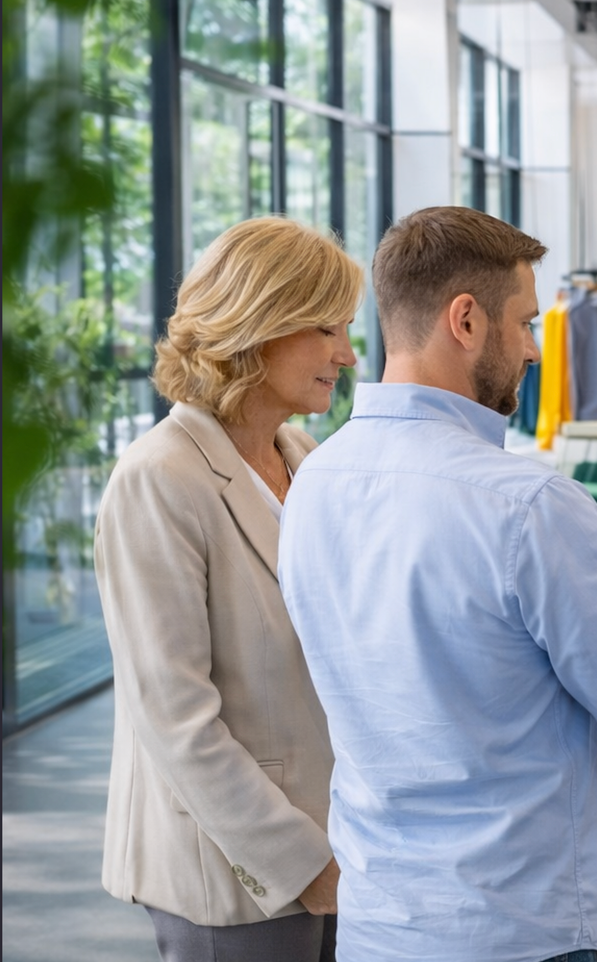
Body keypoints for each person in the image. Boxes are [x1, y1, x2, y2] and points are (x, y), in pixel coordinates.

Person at [278, 206, 597, 962]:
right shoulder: (531, 505)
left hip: (383, 925)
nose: (538, 350)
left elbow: (440, 646)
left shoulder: (314, 480)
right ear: (467, 321)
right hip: (523, 933)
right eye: (526, 324)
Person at [94, 217, 363, 961]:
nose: (345, 353)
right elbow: (174, 716)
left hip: (338, 838)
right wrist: (300, 861)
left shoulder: (302, 454)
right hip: (233, 867)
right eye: (324, 328)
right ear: (256, 324)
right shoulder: (160, 477)